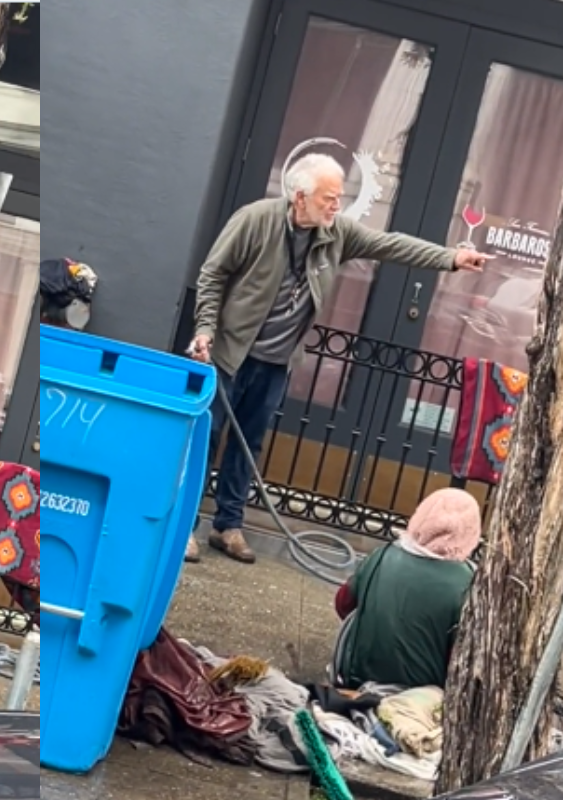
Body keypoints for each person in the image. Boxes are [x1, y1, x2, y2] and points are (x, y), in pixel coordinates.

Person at [185, 154, 490, 565]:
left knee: (248, 446)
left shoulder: (336, 233)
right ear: (300, 197)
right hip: (228, 354)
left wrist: (450, 257)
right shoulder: (254, 220)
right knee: (205, 440)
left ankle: (228, 525)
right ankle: (183, 528)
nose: (337, 206)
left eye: (339, 197)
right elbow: (212, 274)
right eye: (329, 198)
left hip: (276, 362)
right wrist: (205, 329)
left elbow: (389, 244)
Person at [330, 488, 480, 690]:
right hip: (422, 698)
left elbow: (343, 604)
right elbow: (462, 657)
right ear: (470, 533)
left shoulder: (382, 555)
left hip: (359, 681)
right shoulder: (469, 583)